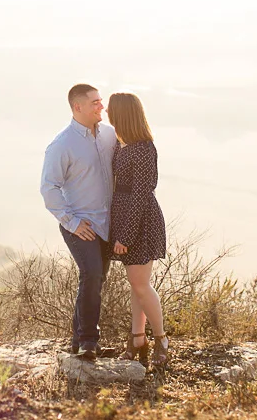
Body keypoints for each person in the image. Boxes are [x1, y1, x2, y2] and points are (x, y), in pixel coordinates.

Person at [40, 83, 118, 360]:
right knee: (92, 274)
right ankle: (87, 341)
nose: (102, 106)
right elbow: (49, 188)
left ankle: (80, 340)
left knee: (97, 279)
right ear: (78, 107)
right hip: (80, 226)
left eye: (101, 100)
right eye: (95, 102)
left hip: (107, 224)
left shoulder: (109, 135)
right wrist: (71, 222)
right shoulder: (62, 145)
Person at [106, 92, 169, 366]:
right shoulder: (122, 145)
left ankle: (162, 339)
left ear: (123, 114)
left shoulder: (144, 148)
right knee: (136, 285)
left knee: (141, 285)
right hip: (125, 220)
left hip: (141, 223)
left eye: (111, 110)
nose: (107, 112)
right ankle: (137, 338)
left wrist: (126, 235)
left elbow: (141, 195)